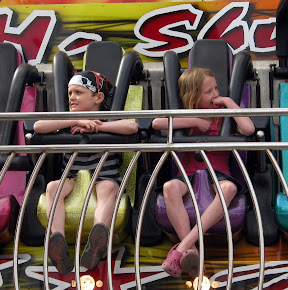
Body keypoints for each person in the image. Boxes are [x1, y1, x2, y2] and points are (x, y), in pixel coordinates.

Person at [152, 68, 255, 278]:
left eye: (216, 88)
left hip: (218, 175)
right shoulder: (186, 118)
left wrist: (228, 103)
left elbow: (248, 129)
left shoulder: (223, 118)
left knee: (229, 188)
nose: (215, 94)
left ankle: (183, 248)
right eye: (209, 91)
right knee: (169, 187)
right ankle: (192, 252)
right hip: (188, 177)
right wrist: (195, 122)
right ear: (193, 96)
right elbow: (157, 123)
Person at [34, 70, 138, 275]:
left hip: (104, 176)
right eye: (70, 93)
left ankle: (98, 237)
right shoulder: (67, 120)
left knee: (108, 188)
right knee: (53, 187)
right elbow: (38, 126)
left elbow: (132, 126)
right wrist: (74, 121)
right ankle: (58, 240)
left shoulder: (108, 120)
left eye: (78, 92)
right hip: (73, 178)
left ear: (98, 98)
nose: (71, 97)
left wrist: (100, 127)